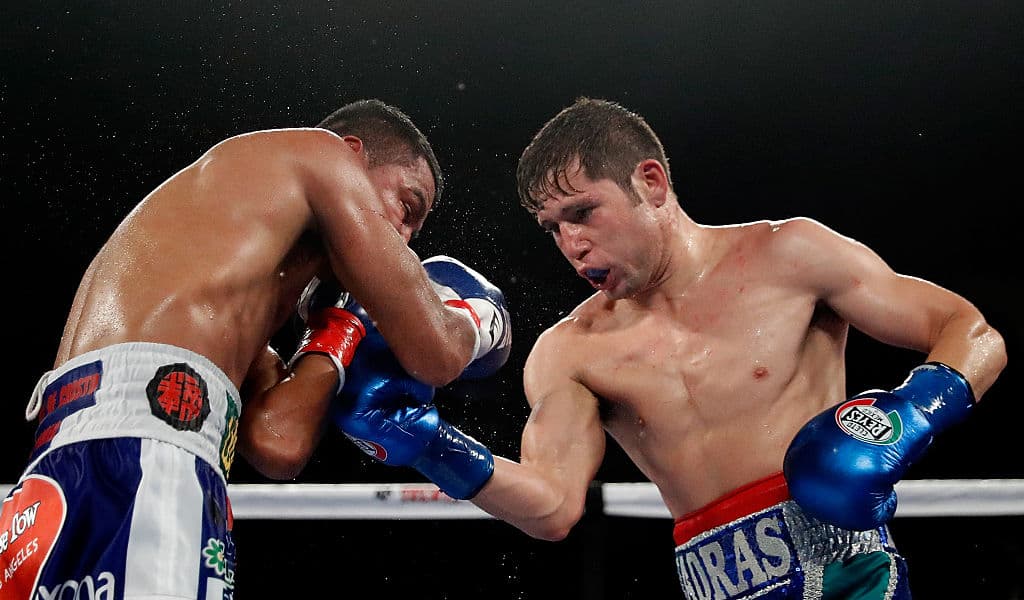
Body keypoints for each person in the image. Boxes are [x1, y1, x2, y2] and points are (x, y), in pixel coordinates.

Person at [329, 97, 1006, 599]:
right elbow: (552, 505)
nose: (571, 245)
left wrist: (911, 413)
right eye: (552, 229)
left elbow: (973, 334)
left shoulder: (791, 255)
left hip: (851, 577)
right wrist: (428, 444)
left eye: (583, 213)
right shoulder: (571, 351)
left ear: (650, 182)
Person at [1, 99, 509, 600]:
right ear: (351, 154)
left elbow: (277, 444)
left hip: (55, 485)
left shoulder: (212, 303)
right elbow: (438, 354)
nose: (401, 241)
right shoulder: (319, 154)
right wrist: (478, 318)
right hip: (144, 468)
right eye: (406, 207)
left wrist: (340, 325)